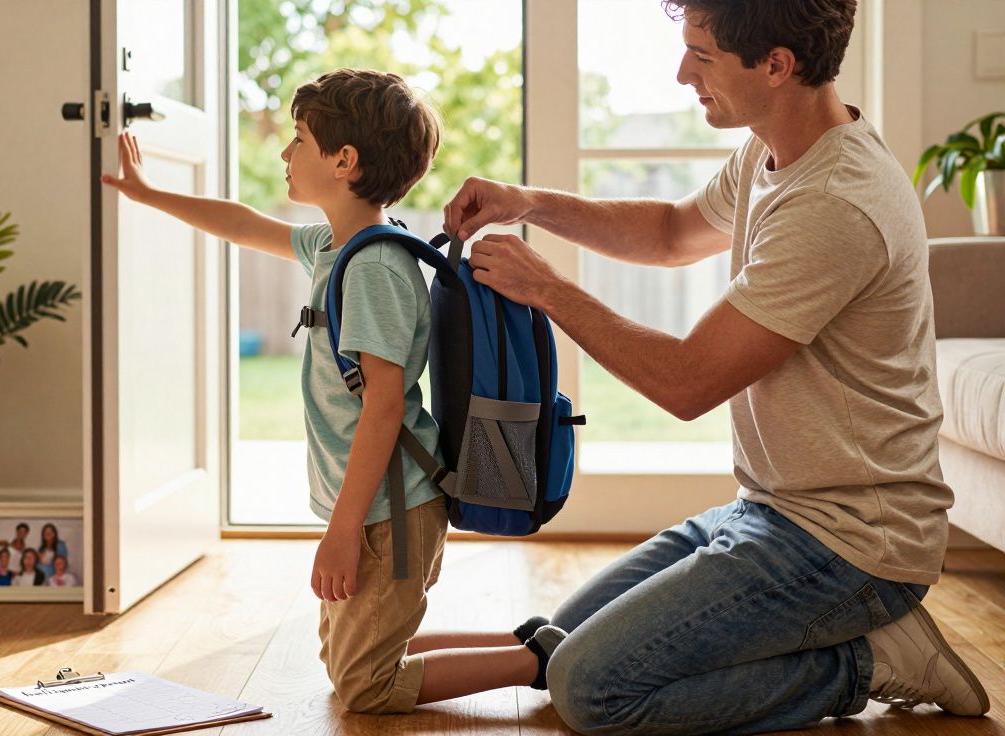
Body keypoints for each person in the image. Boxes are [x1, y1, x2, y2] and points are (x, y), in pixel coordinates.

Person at [409, 1, 991, 732]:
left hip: (853, 545)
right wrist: (530, 204)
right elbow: (672, 232)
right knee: (565, 636)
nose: (683, 73)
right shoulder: (773, 147)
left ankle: (867, 661)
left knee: (592, 689)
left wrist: (547, 289)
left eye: (703, 56)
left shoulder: (837, 204)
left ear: (777, 65)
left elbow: (687, 382)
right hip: (767, 513)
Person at [103, 67, 538, 713]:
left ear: (343, 159)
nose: (284, 152)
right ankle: (525, 641)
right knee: (346, 663)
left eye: (298, 138)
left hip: (392, 509)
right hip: (373, 507)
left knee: (364, 686)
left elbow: (384, 407)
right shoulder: (338, 246)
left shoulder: (373, 269)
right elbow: (243, 224)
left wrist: (340, 533)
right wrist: (149, 195)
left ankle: (539, 661)